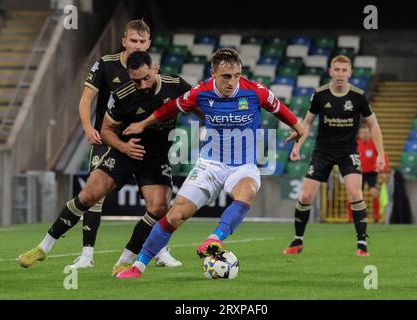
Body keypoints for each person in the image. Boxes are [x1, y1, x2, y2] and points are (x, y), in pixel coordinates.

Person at [115, 48, 306, 279]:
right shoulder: (200, 93)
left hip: (243, 165)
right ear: (213, 73)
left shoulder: (256, 91)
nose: (232, 82)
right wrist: (143, 124)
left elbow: (288, 116)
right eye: (226, 76)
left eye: (236, 75)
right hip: (210, 164)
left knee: (246, 192)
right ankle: (138, 266)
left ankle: (214, 239)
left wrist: (298, 131)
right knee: (175, 215)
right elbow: (170, 108)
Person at [18, 51, 191, 274]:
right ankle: (43, 247)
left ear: (155, 68)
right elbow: (106, 130)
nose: (141, 84)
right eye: (135, 80)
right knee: (88, 196)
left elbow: (197, 104)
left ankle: (125, 260)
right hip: (124, 152)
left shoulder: (176, 85)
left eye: (145, 78)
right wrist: (123, 147)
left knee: (159, 208)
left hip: (155, 158)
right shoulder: (123, 94)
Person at [73, 19, 180, 268]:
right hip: (108, 138)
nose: (138, 45)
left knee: (155, 200)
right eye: (133, 40)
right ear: (124, 41)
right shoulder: (106, 65)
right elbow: (85, 100)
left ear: (149, 43)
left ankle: (159, 251)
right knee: (93, 196)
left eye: (142, 41)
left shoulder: (151, 70)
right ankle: (86, 255)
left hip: (142, 141)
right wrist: (89, 128)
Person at [283, 55, 385, 257]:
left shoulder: (358, 96)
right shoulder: (320, 94)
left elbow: (373, 124)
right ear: (330, 71)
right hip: (323, 151)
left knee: (355, 194)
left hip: (348, 151)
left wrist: (381, 154)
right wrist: (298, 146)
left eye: (344, 70)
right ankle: (298, 241)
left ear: (350, 73)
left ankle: (362, 243)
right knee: (305, 196)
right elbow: (308, 122)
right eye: (336, 70)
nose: (340, 74)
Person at [356, 122, 386, 223]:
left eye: (366, 132)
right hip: (358, 173)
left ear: (369, 133)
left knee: (374, 194)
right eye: (362, 132)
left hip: (371, 173)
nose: (364, 134)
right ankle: (351, 218)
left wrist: (382, 170)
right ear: (359, 134)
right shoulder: (355, 144)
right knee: (354, 195)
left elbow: (382, 157)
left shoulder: (374, 144)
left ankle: (376, 218)